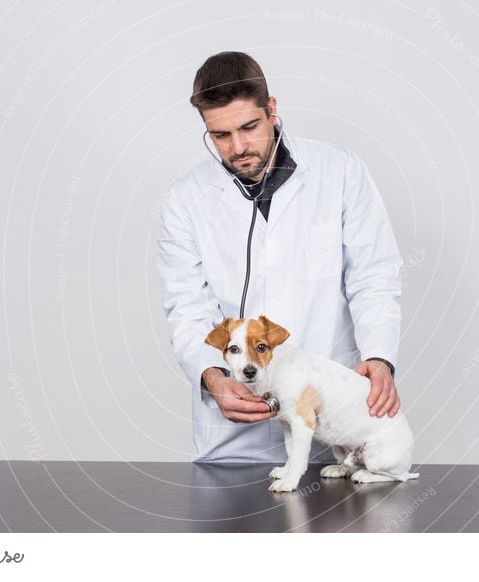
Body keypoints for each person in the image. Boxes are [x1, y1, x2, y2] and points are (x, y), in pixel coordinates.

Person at [156, 51, 404, 464]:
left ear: (271, 110)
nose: (237, 148)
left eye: (249, 127)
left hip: (330, 420)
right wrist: (214, 380)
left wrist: (379, 358)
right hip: (234, 434)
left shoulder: (339, 171)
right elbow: (186, 310)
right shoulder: (186, 199)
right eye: (220, 136)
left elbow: (373, 277)